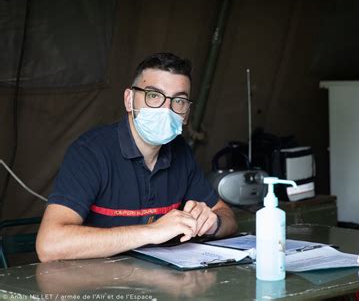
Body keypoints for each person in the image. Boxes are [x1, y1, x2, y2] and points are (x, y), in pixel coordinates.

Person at [36, 52, 237, 262]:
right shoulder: (90, 152)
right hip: (97, 285)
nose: (166, 109)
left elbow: (228, 216)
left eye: (179, 100)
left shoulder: (180, 152)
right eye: (153, 96)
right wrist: (152, 232)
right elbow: (49, 245)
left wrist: (213, 222)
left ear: (186, 114)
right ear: (129, 100)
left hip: (158, 282)